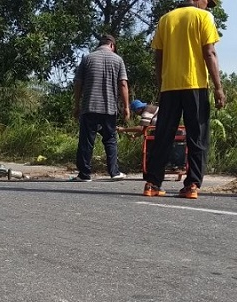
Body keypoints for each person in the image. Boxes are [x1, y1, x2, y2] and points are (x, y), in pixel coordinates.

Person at [144, 0, 225, 198]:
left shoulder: (165, 19)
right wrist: (219, 87)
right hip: (195, 85)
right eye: (208, 3)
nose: (208, 7)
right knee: (197, 136)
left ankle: (152, 183)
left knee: (163, 136)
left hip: (169, 86)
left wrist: (161, 82)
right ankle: (192, 185)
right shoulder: (204, 17)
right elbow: (209, 52)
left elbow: (158, 57)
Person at [72, 34, 130, 182]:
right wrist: (126, 107)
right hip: (109, 108)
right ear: (112, 45)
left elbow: (78, 83)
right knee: (110, 139)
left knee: (86, 141)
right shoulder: (118, 60)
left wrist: (76, 105)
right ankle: (114, 172)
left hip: (89, 106)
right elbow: (123, 84)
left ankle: (84, 174)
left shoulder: (87, 58)